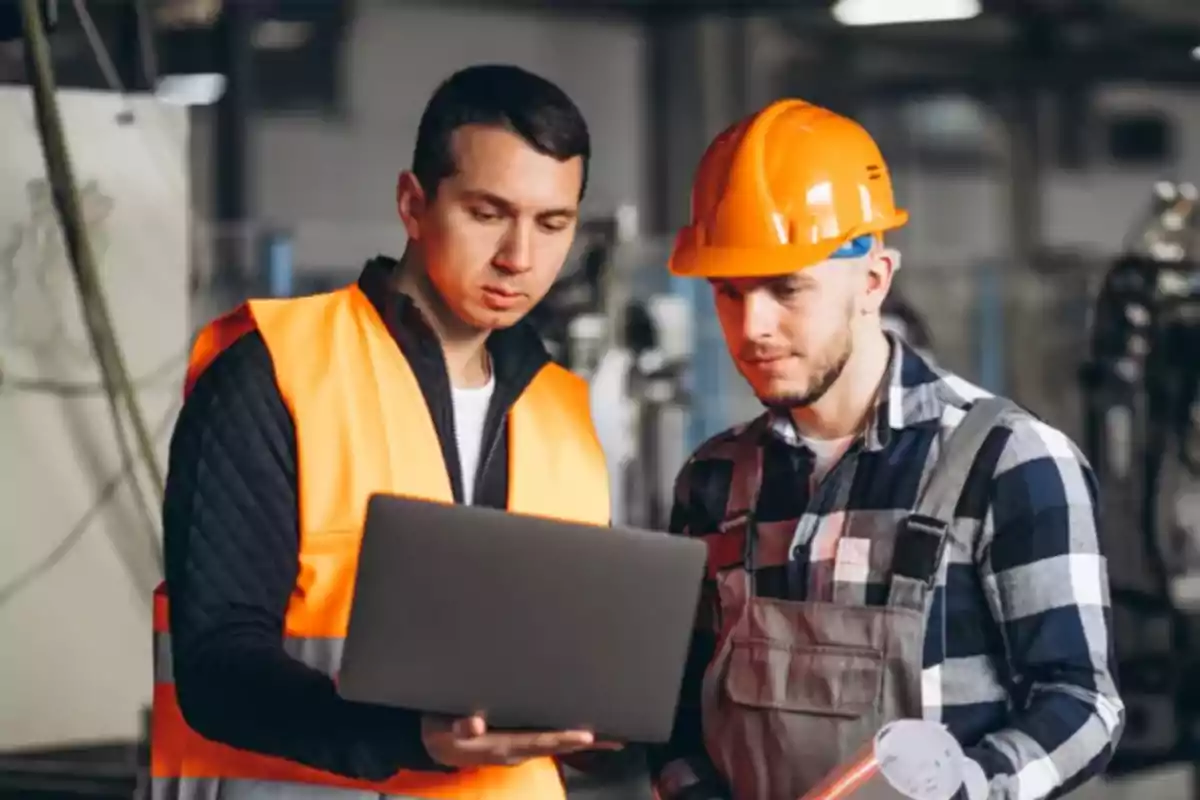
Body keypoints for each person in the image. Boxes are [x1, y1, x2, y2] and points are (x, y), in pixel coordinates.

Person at [152, 64, 620, 800]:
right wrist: (410, 738)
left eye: (552, 223)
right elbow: (216, 665)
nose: (520, 257)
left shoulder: (563, 413)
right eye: (488, 212)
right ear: (412, 203)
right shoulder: (274, 372)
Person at [647, 99, 1124, 800]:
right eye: (728, 292)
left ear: (873, 280)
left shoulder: (1010, 463)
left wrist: (969, 787)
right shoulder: (713, 481)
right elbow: (678, 718)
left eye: (787, 289)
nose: (752, 327)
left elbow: (1083, 704)